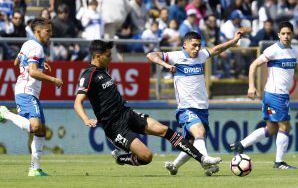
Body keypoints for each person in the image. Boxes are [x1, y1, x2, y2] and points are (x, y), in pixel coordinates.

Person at [74, 40, 222, 172]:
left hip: (126, 113)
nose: (111, 58)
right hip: (114, 126)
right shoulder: (89, 74)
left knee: (164, 130)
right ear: (97, 56)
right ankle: (122, 158)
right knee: (146, 157)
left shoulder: (104, 70)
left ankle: (202, 159)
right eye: (107, 55)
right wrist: (86, 119)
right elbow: (77, 102)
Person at [146, 28, 248, 176]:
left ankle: (174, 166)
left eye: (199, 45)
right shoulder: (176, 56)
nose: (197, 48)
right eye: (193, 45)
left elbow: (217, 49)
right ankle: (205, 161)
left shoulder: (201, 56)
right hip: (186, 108)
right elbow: (151, 55)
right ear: (184, 45)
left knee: (192, 144)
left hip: (202, 108)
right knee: (199, 132)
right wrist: (166, 65)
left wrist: (234, 41)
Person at [230, 21, 298, 169]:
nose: (286, 36)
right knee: (285, 126)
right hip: (275, 95)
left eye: (289, 33)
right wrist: (251, 85)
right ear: (278, 35)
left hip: (278, 96)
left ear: (292, 35)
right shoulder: (273, 50)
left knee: (271, 128)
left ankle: (240, 144)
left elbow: (295, 71)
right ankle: (279, 162)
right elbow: (253, 65)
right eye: (283, 33)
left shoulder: (294, 51)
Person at [0, 17, 63, 176]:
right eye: (47, 31)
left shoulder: (28, 43)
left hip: (28, 91)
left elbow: (16, 62)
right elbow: (33, 72)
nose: (50, 34)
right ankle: (5, 113)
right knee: (35, 127)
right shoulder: (37, 48)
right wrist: (53, 79)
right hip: (27, 91)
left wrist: (41, 64)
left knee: (40, 131)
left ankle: (34, 169)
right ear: (38, 31)